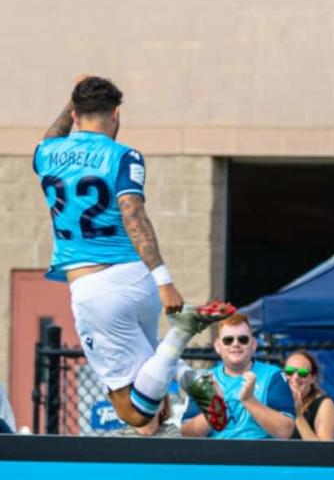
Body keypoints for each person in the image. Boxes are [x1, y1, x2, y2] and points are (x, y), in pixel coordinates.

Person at [33, 75, 233, 431]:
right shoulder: (124, 156)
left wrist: (70, 104)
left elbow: (51, 137)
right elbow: (133, 213)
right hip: (136, 278)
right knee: (152, 375)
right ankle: (188, 377)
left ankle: (183, 332)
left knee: (134, 412)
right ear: (116, 114)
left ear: (75, 114)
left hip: (94, 287)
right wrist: (162, 279)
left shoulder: (47, 153)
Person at [181, 314, 295, 439]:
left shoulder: (273, 375)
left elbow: (285, 431)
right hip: (215, 456)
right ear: (218, 346)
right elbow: (187, 433)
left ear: (253, 344)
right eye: (228, 340)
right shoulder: (205, 379)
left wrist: (249, 401)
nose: (235, 344)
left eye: (243, 339)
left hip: (261, 456)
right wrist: (215, 408)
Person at [285, 350, 334, 441]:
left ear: (313, 378)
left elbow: (325, 451)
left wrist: (299, 417)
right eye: (289, 371)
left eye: (303, 373)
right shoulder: (275, 401)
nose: (295, 377)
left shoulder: (324, 405)